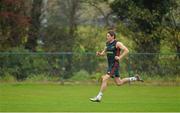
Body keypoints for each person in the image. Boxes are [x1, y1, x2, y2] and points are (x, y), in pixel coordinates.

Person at [90, 31, 143, 102]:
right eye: (107, 36)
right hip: (110, 65)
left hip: (114, 64)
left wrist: (119, 57)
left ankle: (98, 97)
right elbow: (103, 53)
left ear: (112, 36)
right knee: (119, 83)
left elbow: (127, 50)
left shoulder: (117, 43)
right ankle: (135, 78)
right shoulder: (107, 44)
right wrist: (99, 54)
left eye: (108, 36)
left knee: (105, 78)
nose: (107, 37)